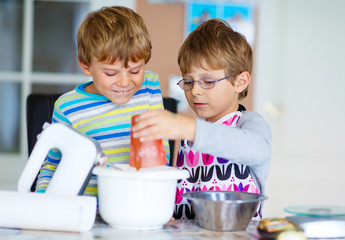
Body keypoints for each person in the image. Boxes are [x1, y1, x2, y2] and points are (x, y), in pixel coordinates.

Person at [132, 18, 271, 219]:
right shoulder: (189, 135)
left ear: (240, 82)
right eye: (188, 81)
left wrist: (190, 129)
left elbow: (257, 149)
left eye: (207, 81)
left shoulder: (248, 123)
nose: (195, 91)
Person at [35, 6, 170, 196]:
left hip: (138, 204)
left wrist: (159, 198)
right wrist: (44, 204)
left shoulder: (149, 85)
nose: (124, 82)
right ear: (86, 66)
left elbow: (159, 151)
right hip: (86, 210)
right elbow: (52, 166)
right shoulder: (68, 108)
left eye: (135, 70)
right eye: (110, 73)